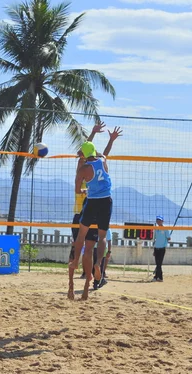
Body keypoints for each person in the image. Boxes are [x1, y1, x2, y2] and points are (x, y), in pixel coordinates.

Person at [69, 126, 122, 300]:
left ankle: (75, 261)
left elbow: (78, 190)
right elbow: (103, 152)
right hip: (106, 202)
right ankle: (98, 265)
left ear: (82, 155)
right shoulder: (103, 160)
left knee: (81, 237)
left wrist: (84, 190)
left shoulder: (82, 168)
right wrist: (111, 140)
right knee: (102, 238)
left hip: (90, 203)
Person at [152, 215, 170, 282]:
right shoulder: (156, 229)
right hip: (156, 248)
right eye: (157, 220)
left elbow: (169, 238)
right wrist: (154, 250)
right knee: (157, 263)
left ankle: (157, 277)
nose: (158, 221)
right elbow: (155, 239)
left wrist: (165, 241)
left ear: (162, 221)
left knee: (159, 263)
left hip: (162, 248)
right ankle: (158, 277)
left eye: (160, 220)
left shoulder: (165, 229)